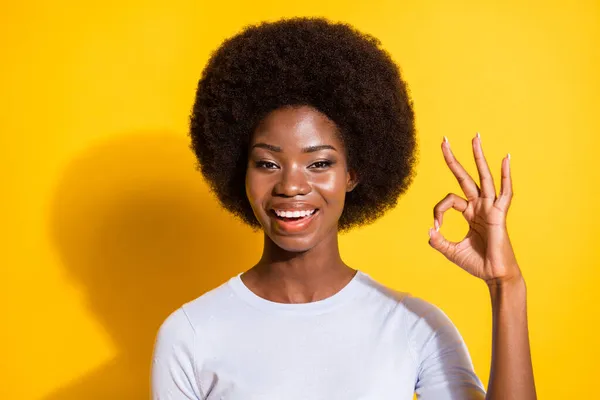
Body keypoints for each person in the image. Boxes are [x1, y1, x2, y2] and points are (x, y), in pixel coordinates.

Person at [151, 17, 536, 399]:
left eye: (319, 164)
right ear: (240, 171)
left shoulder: (412, 326)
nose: (291, 186)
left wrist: (507, 286)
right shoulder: (191, 334)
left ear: (352, 174)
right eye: (268, 163)